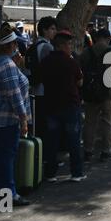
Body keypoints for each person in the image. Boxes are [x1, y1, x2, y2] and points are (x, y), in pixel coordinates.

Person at [0, 26, 31, 207]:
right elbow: (14, 95)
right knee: (6, 158)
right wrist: (23, 118)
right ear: (11, 45)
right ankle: (9, 195)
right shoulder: (7, 65)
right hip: (8, 118)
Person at [41, 30, 85, 182]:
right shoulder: (70, 61)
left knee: (52, 141)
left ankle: (51, 173)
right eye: (69, 44)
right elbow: (80, 82)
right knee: (73, 140)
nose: (70, 47)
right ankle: (76, 173)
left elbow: (41, 79)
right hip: (70, 105)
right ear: (62, 45)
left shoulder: (46, 61)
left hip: (51, 105)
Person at [81, 28, 111, 162]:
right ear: (108, 38)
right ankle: (106, 152)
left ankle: (88, 151)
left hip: (90, 92)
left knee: (89, 122)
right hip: (108, 92)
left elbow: (81, 70)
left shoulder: (86, 52)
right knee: (107, 122)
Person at [29, 16, 57, 141]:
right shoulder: (47, 47)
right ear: (44, 30)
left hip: (35, 88)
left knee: (38, 124)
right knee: (46, 125)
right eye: (52, 29)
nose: (54, 32)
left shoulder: (35, 45)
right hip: (45, 90)